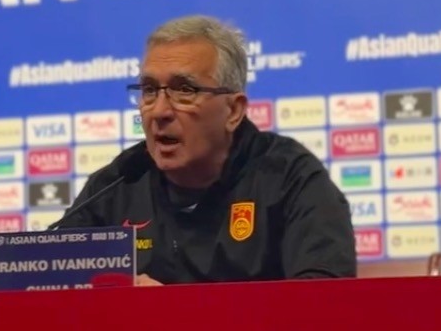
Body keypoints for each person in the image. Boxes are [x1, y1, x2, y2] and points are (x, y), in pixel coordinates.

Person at [58, 15, 356, 285]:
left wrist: (173, 312)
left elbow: (324, 304)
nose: (159, 111)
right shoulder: (118, 183)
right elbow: (49, 281)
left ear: (233, 111)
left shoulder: (289, 178)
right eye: (149, 90)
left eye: (184, 91)